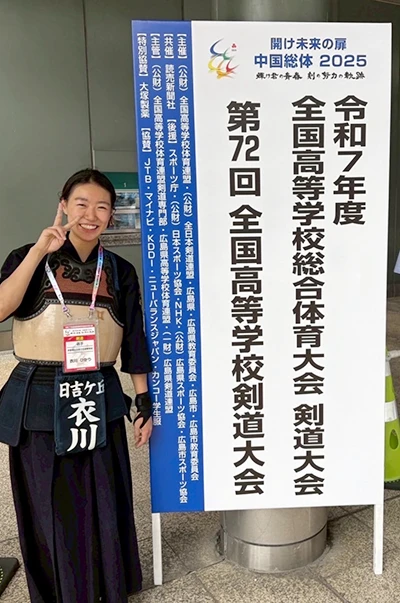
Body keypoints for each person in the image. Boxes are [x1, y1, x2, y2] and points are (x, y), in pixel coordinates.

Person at [0, 169, 153, 602]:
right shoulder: (27, 257)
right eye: (82, 203)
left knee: (104, 494)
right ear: (64, 204)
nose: (91, 215)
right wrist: (38, 252)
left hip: (98, 391)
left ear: (111, 215)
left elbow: (134, 338)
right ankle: (58, 591)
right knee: (48, 499)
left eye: (102, 207)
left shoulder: (120, 270)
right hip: (40, 395)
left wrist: (143, 401)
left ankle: (107, 586)